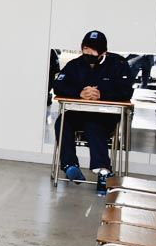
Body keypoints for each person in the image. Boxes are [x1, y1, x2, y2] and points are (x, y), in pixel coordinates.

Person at [53, 30, 134, 191]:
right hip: (80, 112)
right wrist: (79, 93)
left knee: (93, 124)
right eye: (85, 49)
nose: (88, 53)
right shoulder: (75, 65)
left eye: (93, 50)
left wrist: (102, 94)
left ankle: (103, 171)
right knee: (62, 121)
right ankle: (70, 165)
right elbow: (58, 86)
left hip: (106, 115)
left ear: (103, 52)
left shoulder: (118, 64)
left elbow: (126, 91)